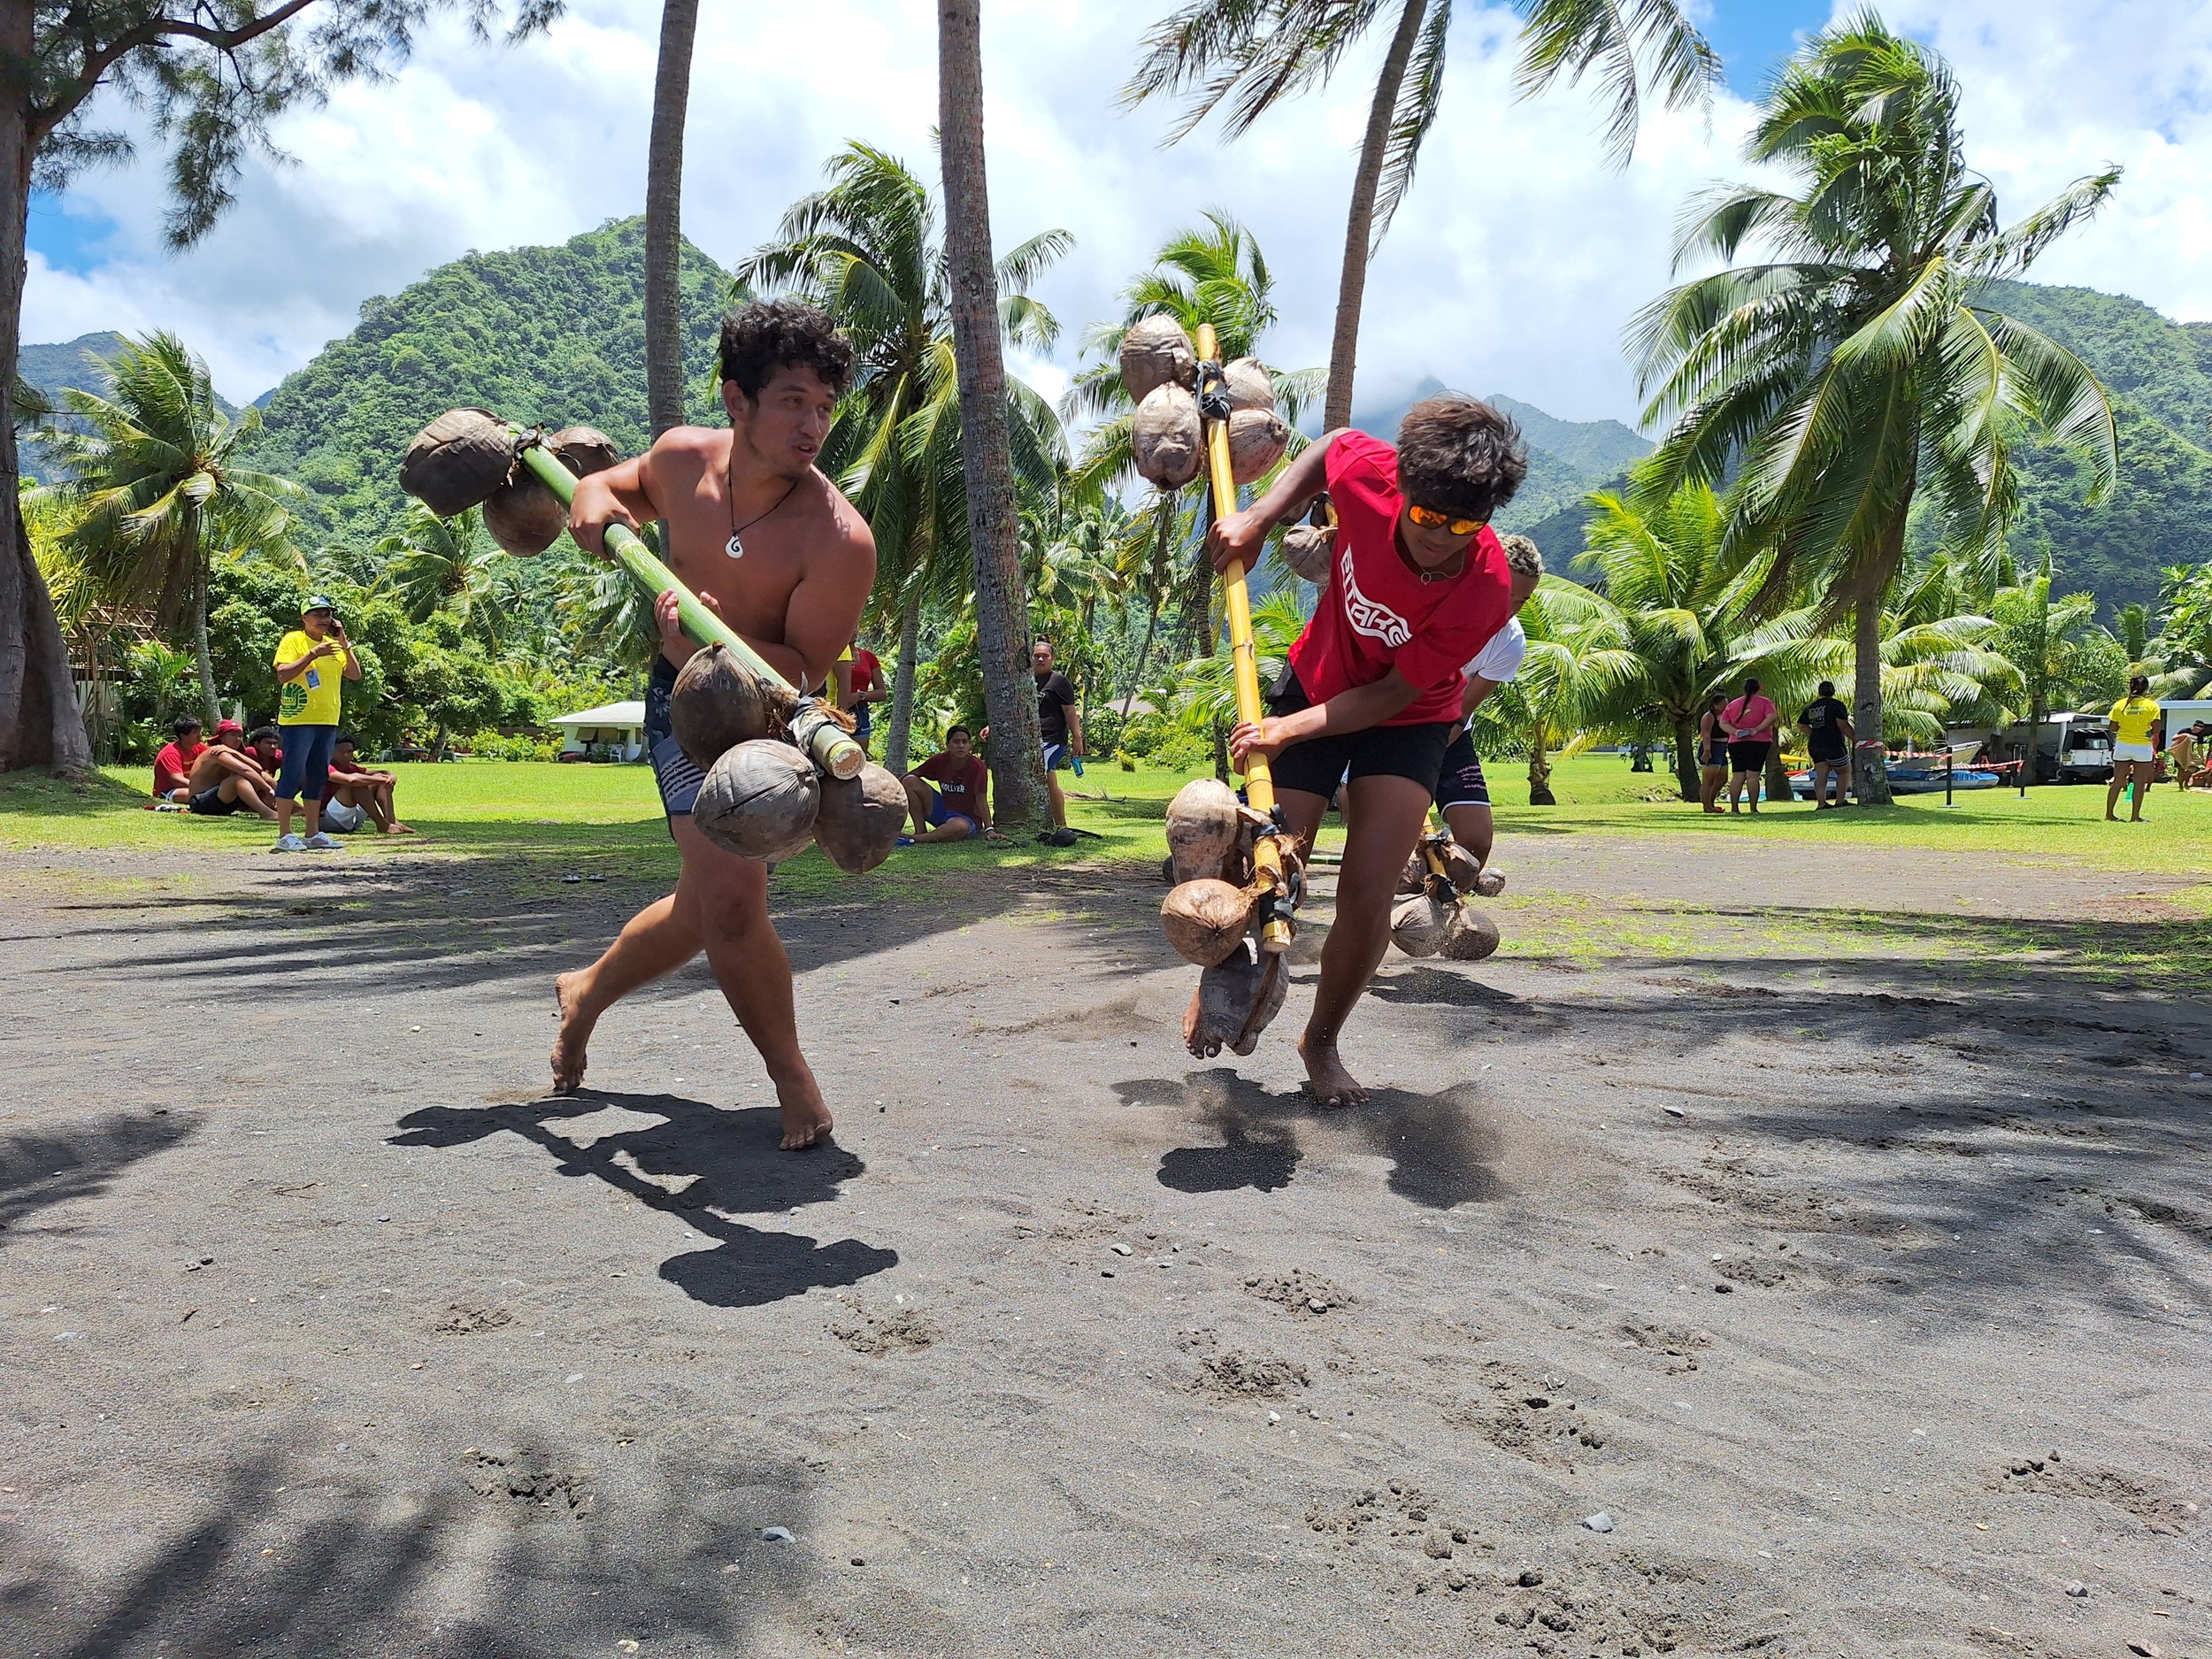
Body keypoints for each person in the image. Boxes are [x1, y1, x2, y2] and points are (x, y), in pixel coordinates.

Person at [552, 299, 875, 1150]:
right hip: (683, 705)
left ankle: (586, 993)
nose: (813, 427)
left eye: (825, 408)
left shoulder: (840, 540)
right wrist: (590, 498)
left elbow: (805, 668)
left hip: (770, 720)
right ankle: (792, 1075)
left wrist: (715, 641)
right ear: (738, 399)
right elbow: (611, 487)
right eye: (794, 401)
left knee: (705, 906)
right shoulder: (681, 458)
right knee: (729, 899)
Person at [1213, 393, 1523, 1106]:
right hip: (1319, 675)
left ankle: (1321, 1041)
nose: (1441, 538)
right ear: (1402, 487)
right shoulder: (1371, 475)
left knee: (1368, 888)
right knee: (1268, 860)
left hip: (1407, 714)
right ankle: (1227, 988)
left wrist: (1289, 730)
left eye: (1463, 525)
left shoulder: (1486, 587)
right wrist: (1261, 518)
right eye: (1427, 517)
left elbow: (1392, 692)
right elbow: (1332, 447)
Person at [1430, 534, 1545, 888]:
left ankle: (1438, 886)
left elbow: (1461, 711)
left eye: (1522, 601)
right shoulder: (1430, 606)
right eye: (1506, 594)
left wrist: (1424, 758)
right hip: (1383, 725)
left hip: (1445, 733)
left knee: (1476, 845)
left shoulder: (1510, 641)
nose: (1510, 609)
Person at [270, 595, 360, 851]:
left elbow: (354, 674)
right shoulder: (293, 640)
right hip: (298, 721)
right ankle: (285, 834)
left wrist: (344, 643)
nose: (323, 619)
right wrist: (312, 654)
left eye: (327, 614)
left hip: (327, 720)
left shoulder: (334, 645)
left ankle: (312, 833)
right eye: (317, 614)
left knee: (317, 777)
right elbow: (283, 674)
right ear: (304, 618)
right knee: (292, 774)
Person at [901, 726, 991, 842]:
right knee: (909, 781)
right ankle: (920, 830)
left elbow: (981, 800)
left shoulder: (978, 767)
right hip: (942, 810)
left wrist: (989, 829)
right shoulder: (939, 760)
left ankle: (915, 839)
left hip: (966, 819)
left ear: (969, 746)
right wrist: (889, 789)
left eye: (964, 742)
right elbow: (912, 774)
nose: (961, 746)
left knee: (959, 826)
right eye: (956, 742)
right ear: (948, 745)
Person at [183, 719, 280, 820]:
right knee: (237, 779)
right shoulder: (216, 752)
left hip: (223, 801)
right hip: (200, 802)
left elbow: (258, 769)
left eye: (240, 736)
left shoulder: (231, 753)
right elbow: (245, 770)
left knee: (263, 775)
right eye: (233, 735)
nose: (238, 739)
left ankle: (284, 804)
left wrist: (234, 752)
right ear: (222, 737)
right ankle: (265, 812)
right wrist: (268, 789)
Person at [1033, 640, 1083, 834]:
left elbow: (1070, 711)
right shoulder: (1025, 680)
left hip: (1053, 740)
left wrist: (1077, 738)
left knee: (1043, 771)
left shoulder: (1059, 681)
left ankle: (1061, 823)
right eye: (1036, 656)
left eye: (1045, 656)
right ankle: (1048, 822)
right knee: (1046, 777)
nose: (1040, 659)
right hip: (1031, 740)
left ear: (1052, 658)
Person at [320, 734, 412, 834]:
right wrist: (381, 779)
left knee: (377, 780)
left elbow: (380, 773)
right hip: (328, 819)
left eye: (349, 752)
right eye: (341, 752)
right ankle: (382, 824)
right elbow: (351, 780)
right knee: (358, 784)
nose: (346, 755)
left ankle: (391, 820)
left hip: (350, 817)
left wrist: (389, 775)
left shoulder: (350, 767)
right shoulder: (325, 767)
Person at [2105, 674, 2162, 822]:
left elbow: (2112, 727)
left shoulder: (2120, 704)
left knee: (2117, 782)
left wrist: (2127, 730)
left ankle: (2109, 814)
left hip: (2122, 745)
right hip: (2142, 747)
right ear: (2146, 688)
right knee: (2139, 782)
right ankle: (2135, 816)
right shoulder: (2152, 706)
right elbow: (2156, 729)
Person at [1720, 676, 1779, 814]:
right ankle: (1753, 808)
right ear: (1760, 688)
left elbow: (1723, 723)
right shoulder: (1765, 702)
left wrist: (1735, 732)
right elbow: (1772, 716)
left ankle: (1734, 809)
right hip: (1759, 742)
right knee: (1753, 776)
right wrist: (1757, 729)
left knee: (1738, 776)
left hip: (1736, 743)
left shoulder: (1733, 704)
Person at [1799, 680, 1855, 809]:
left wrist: (1814, 733)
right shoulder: (1837, 705)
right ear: (1833, 691)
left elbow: (1801, 725)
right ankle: (1840, 800)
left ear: (1819, 692)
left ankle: (1821, 803)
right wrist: (1856, 739)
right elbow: (1843, 726)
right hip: (1833, 744)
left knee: (1821, 775)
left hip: (1815, 745)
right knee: (1844, 771)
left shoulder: (1811, 707)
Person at [834, 638, 886, 756]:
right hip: (834, 708)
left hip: (860, 711)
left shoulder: (868, 657)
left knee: (858, 756)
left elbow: (882, 693)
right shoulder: (831, 653)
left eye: (855, 628)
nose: (853, 631)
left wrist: (860, 696)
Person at [152, 715, 205, 803]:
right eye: (195, 732)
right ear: (183, 736)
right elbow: (177, 779)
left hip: (192, 787)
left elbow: (216, 754)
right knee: (198, 795)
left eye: (200, 731)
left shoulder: (200, 748)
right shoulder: (170, 753)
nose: (200, 735)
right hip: (169, 791)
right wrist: (202, 787)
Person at [1696, 694, 1730, 813]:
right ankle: (1706, 806)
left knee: (1722, 778)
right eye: (1723, 704)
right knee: (1708, 780)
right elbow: (1706, 735)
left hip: (1722, 749)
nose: (1726, 706)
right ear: (1715, 705)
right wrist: (1707, 751)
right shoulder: (1709, 716)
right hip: (1712, 747)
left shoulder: (1725, 716)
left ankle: (1711, 802)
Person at [2168, 720, 2199, 793]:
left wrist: (2200, 756)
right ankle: (2181, 786)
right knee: (2180, 770)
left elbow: (2199, 746)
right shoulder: (2185, 731)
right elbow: (2173, 738)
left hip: (2190, 754)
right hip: (2180, 754)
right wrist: (2184, 735)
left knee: (2191, 769)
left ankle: (2186, 782)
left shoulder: (2199, 735)